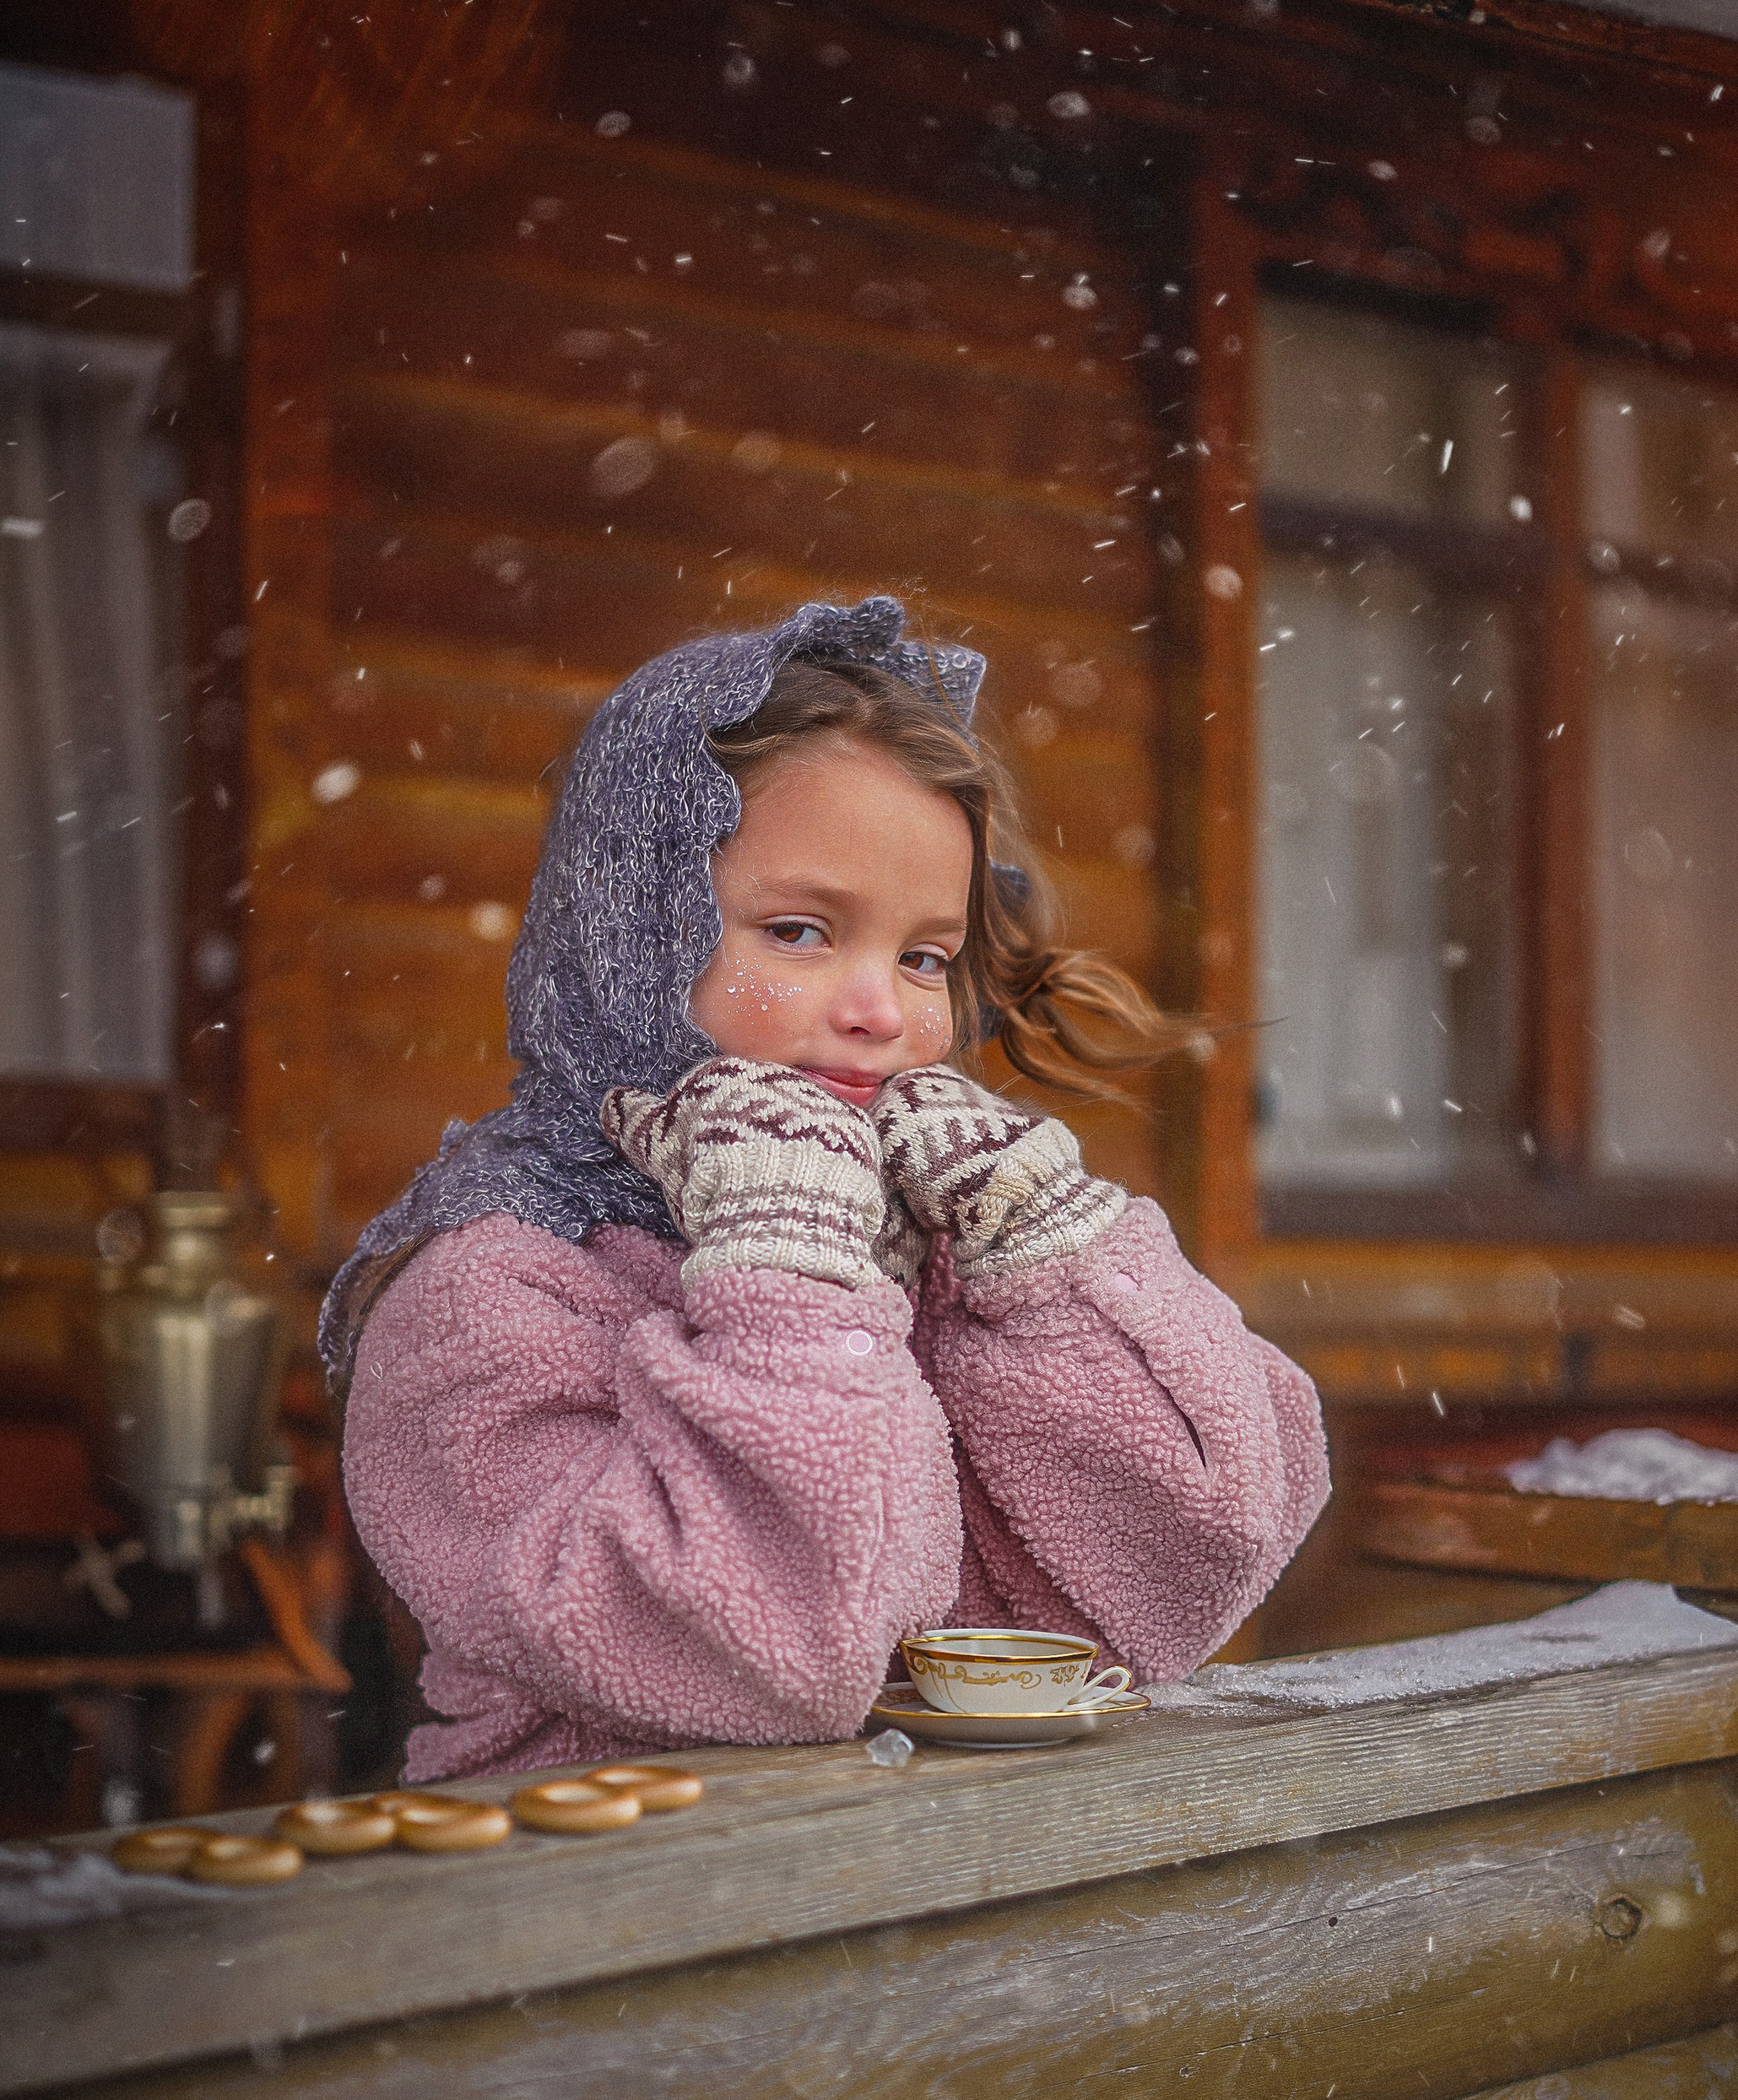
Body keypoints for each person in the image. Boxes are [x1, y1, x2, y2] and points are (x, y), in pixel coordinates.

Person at [327, 596, 1328, 1779]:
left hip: (935, 1922)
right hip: (618, 1920)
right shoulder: (489, 1291)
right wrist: (786, 1269)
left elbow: (1188, 1566)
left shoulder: (929, 1241)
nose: (885, 1011)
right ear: (633, 936)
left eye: (923, 957)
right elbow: (788, 1657)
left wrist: (1050, 1259)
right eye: (800, 931)